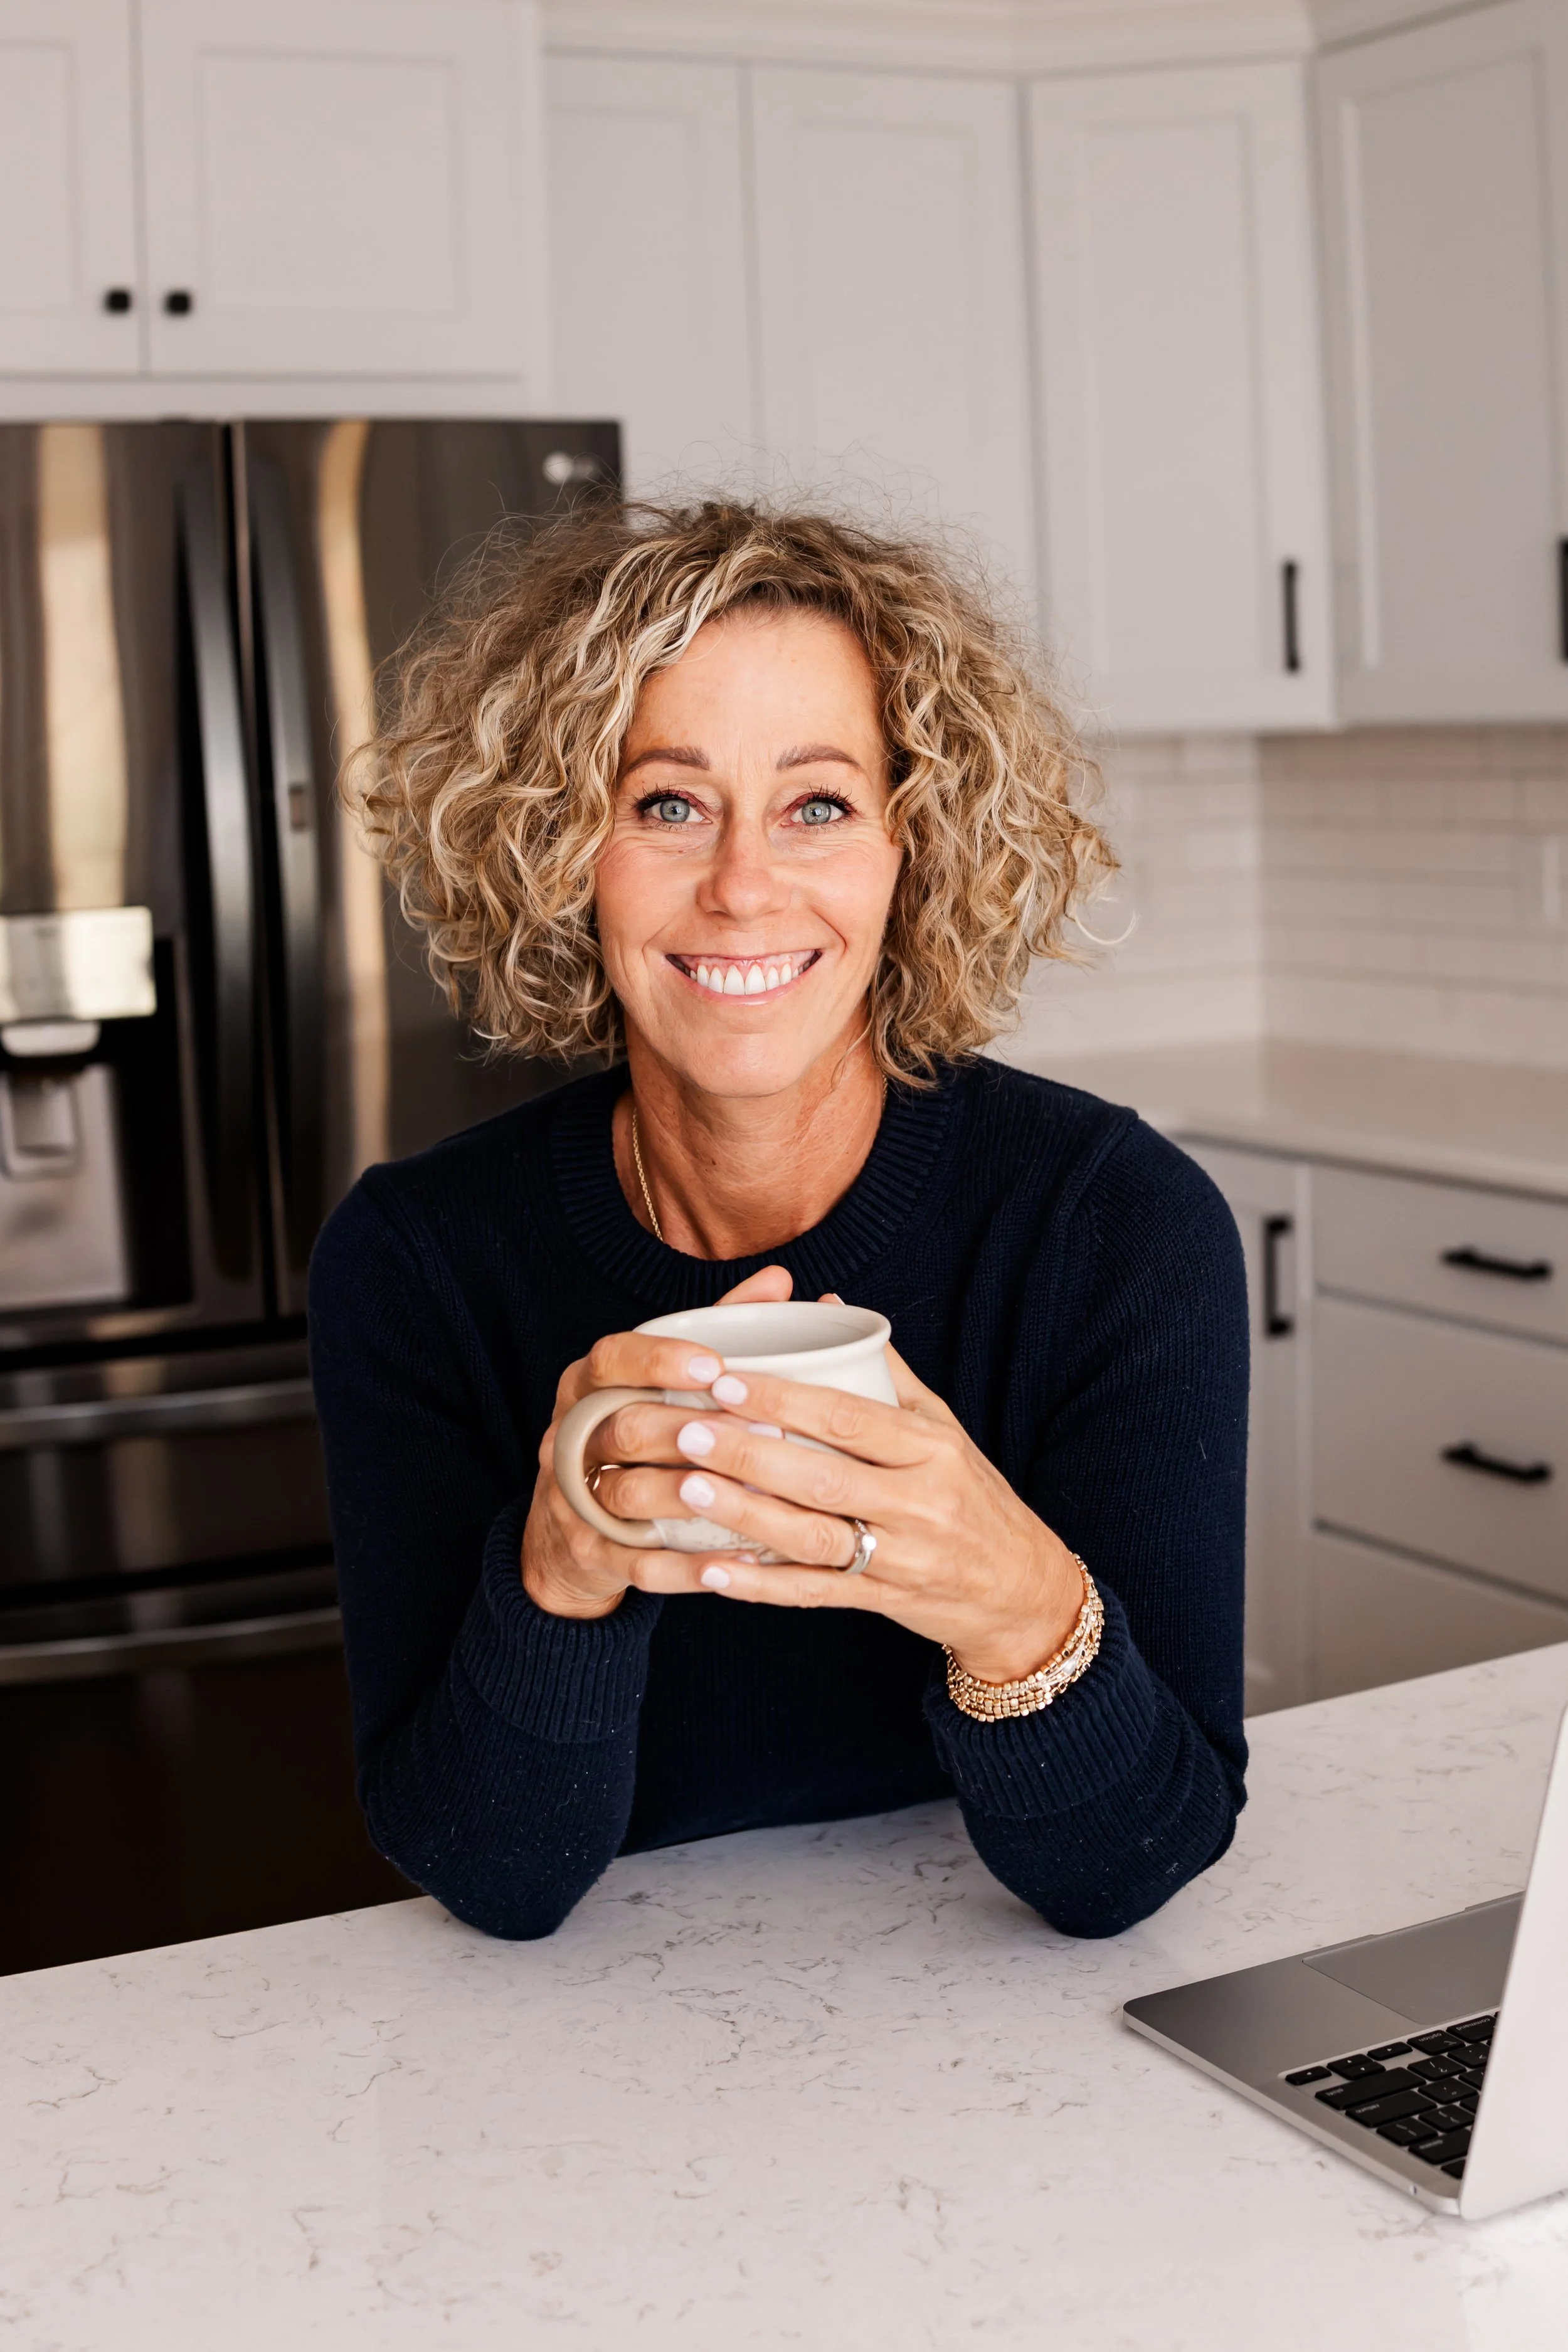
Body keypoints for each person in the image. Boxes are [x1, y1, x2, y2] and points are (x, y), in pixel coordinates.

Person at [309, 499, 1249, 1943]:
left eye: (817, 803)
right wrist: (560, 1564)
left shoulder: (1112, 1229)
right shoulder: (418, 1262)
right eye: (665, 803)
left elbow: (1130, 1871)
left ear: (910, 849)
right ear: (561, 852)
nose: (742, 886)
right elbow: (489, 1879)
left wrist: (1011, 1599)